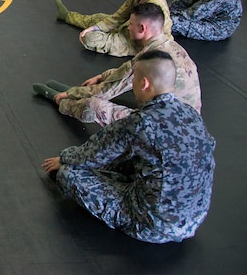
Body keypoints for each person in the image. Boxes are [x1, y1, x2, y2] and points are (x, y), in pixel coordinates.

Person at [42, 50, 215, 243]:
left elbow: (92, 154)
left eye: (134, 81)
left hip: (155, 225)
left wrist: (64, 158)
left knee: (68, 174)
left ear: (144, 84)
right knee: (136, 158)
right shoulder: (191, 114)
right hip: (194, 218)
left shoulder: (142, 122)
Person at [34, 3, 200, 126]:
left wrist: (70, 94)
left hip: (164, 129)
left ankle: (57, 99)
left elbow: (108, 90)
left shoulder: (151, 56)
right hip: (187, 121)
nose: (128, 28)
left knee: (93, 105)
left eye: (131, 24)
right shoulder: (169, 47)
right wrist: (101, 76)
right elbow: (127, 70)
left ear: (142, 28)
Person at [55, 0, 171, 57]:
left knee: (90, 39)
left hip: (135, 43)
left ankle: (107, 36)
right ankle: (67, 16)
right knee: (99, 18)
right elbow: (118, 17)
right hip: (130, 28)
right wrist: (95, 27)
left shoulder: (157, 8)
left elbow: (160, 40)